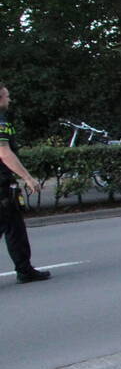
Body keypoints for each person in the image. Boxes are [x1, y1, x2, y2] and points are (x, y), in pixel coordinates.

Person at [0, 85, 50, 283]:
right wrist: (27, 177)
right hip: (1, 184)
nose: (10, 100)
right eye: (7, 95)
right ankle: (24, 269)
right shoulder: (1, 123)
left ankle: (24, 269)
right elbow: (4, 153)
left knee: (14, 227)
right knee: (9, 224)